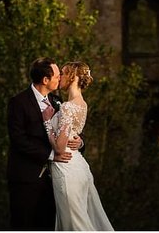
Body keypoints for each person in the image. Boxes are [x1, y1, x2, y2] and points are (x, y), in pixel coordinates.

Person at [7, 57, 82, 230]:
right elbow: (18, 140)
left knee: (49, 226)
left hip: (54, 180)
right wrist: (51, 155)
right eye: (57, 75)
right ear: (45, 80)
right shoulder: (18, 102)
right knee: (24, 225)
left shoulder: (57, 101)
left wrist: (79, 141)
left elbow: (68, 127)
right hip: (27, 178)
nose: (60, 78)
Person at [47, 62, 114, 231]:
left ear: (72, 76)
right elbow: (73, 134)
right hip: (79, 166)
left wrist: (47, 125)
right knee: (80, 220)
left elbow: (60, 148)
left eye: (63, 73)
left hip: (66, 167)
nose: (59, 77)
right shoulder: (82, 104)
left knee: (76, 225)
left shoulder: (68, 107)